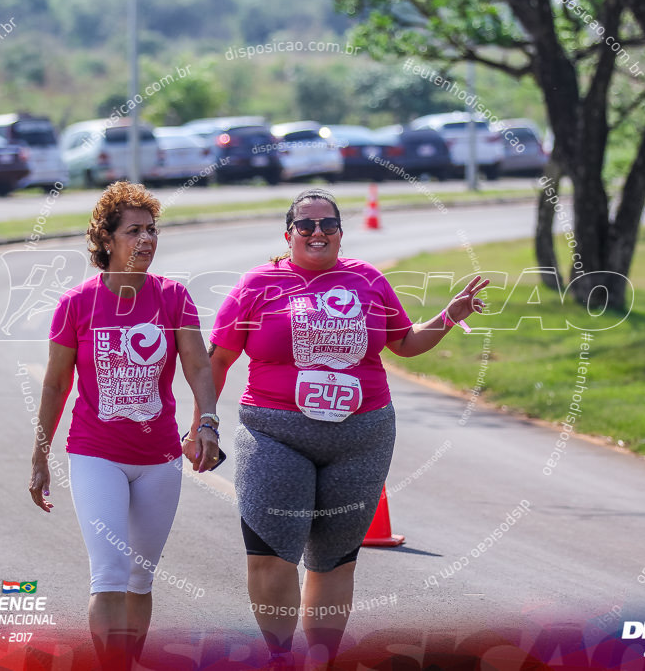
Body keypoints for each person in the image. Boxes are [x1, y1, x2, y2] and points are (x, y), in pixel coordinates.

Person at [185, 188, 489, 668]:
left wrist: (450, 316)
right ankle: (280, 656)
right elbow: (219, 360)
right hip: (275, 433)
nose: (317, 232)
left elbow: (405, 343)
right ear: (289, 235)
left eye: (328, 224)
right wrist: (205, 423)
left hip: (361, 441)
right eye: (305, 225)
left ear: (342, 234)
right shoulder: (257, 284)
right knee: (271, 554)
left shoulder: (368, 279)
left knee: (334, 560)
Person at [28, 181, 221, 670]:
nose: (147, 239)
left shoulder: (173, 298)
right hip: (95, 454)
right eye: (134, 230)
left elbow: (199, 366)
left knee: (141, 578)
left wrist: (208, 424)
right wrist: (40, 452)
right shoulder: (76, 304)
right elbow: (55, 385)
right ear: (107, 240)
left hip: (159, 459)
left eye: (152, 230)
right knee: (110, 573)